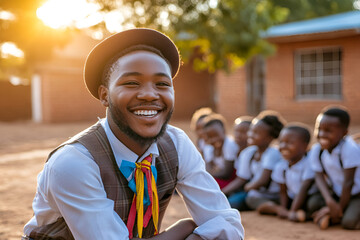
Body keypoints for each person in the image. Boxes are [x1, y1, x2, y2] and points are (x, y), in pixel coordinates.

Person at [22, 28, 244, 240]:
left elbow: (228, 224)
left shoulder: (176, 144)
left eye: (162, 83)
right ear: (104, 95)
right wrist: (183, 228)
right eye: (131, 83)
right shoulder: (73, 163)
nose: (149, 94)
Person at [308, 106, 360, 230]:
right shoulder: (317, 150)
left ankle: (336, 216)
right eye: (319, 129)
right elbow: (319, 177)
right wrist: (330, 202)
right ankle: (333, 214)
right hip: (337, 194)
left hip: (356, 194)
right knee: (312, 204)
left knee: (349, 223)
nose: (321, 134)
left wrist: (339, 208)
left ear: (344, 133)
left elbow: (348, 183)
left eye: (328, 131)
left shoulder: (349, 149)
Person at [222, 110, 285, 211]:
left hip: (273, 194)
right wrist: (223, 192)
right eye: (251, 131)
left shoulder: (272, 153)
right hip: (255, 192)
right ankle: (266, 207)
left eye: (256, 133)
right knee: (229, 201)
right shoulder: (248, 153)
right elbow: (241, 179)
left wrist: (247, 188)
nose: (250, 135)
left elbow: (263, 181)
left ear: (269, 138)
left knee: (245, 200)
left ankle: (276, 208)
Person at [257, 124, 318, 222]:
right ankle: (293, 214)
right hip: (292, 198)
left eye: (290, 143)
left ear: (305, 147)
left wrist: (292, 211)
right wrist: (284, 209)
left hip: (308, 197)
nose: (284, 146)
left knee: (314, 204)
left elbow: (304, 189)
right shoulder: (280, 166)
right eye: (281, 142)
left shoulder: (309, 163)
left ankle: (310, 215)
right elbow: (283, 191)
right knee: (260, 204)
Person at [201, 113, 238, 189]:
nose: (214, 139)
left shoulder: (229, 144)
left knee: (205, 183)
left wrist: (210, 174)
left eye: (216, 135)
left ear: (224, 131)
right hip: (218, 178)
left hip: (232, 179)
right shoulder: (208, 148)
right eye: (210, 137)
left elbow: (227, 173)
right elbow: (208, 169)